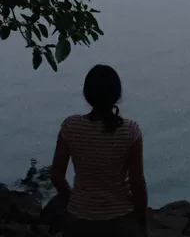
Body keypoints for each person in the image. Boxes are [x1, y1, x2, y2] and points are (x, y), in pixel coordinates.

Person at [51, 65, 149, 237]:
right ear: (117, 95)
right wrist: (142, 223)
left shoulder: (70, 127)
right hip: (120, 222)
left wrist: (74, 201)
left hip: (78, 223)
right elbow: (137, 185)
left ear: (86, 94)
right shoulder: (130, 131)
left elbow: (57, 177)